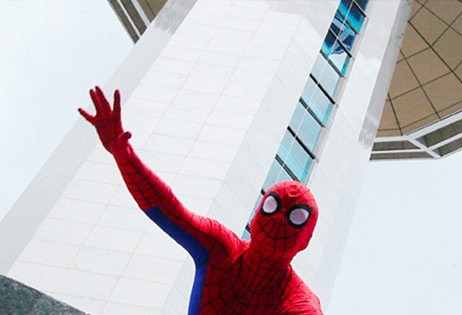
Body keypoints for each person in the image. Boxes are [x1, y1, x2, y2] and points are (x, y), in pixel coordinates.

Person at [79, 87, 324, 314]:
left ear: (306, 240)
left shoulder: (300, 304)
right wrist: (124, 155)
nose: (279, 219)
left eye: (296, 217)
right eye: (272, 206)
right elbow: (168, 209)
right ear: (256, 215)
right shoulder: (222, 248)